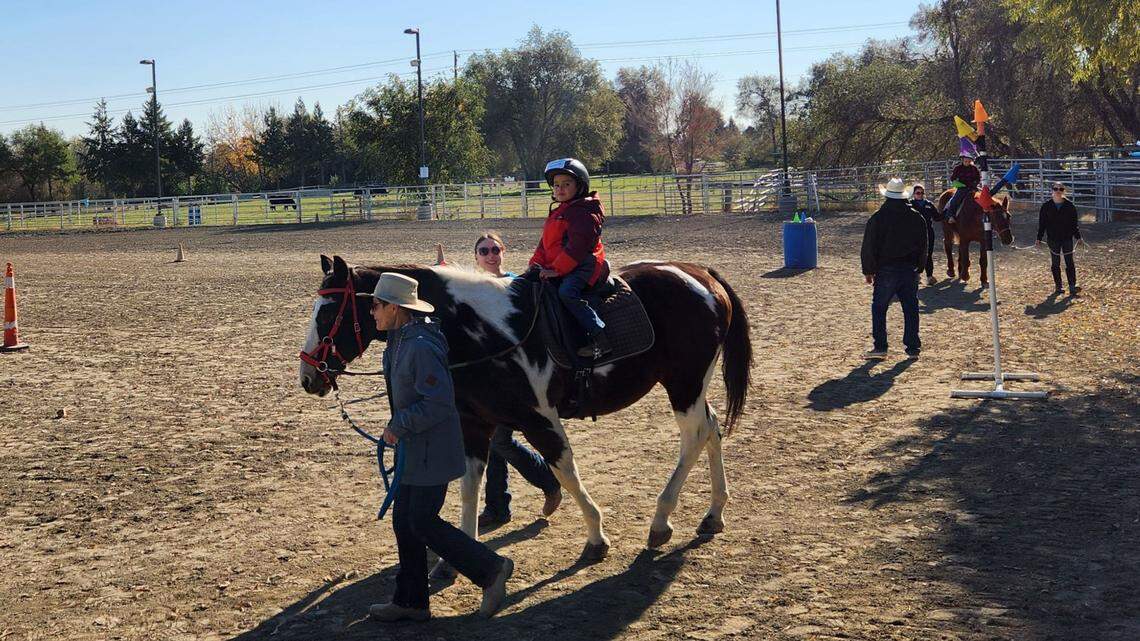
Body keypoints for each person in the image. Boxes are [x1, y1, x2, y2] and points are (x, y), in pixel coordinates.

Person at [360, 272, 513, 622]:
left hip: (431, 450)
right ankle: (411, 601)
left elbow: (439, 402)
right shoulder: (399, 340)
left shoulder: (419, 346)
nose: (372, 312)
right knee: (404, 522)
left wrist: (399, 424)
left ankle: (491, 569)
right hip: (415, 448)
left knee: (421, 521)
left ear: (395, 308)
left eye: (376, 305)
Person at [439, 232, 563, 527]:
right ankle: (498, 507)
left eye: (495, 249)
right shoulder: (471, 289)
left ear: (503, 252)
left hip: (513, 380)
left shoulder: (515, 285)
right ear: (476, 257)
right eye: (484, 251)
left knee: (500, 443)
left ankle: (547, 480)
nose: (490, 255)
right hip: (483, 382)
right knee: (491, 447)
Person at [530, 157, 611, 360]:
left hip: (583, 265)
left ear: (580, 186)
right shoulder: (560, 211)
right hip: (564, 264)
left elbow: (578, 247)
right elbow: (545, 244)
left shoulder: (584, 213)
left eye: (566, 184)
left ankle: (599, 337)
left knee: (567, 293)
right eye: (556, 185)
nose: (560, 189)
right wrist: (535, 264)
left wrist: (556, 271)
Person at [861, 178, 929, 359]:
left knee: (879, 307)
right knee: (910, 308)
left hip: (885, 269)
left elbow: (869, 246)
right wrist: (920, 267)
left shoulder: (877, 218)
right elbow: (924, 245)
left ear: (887, 196)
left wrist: (868, 270)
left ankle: (880, 347)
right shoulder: (917, 217)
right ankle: (912, 347)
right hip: (909, 268)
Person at [1036, 182, 1084, 296]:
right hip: (1053, 238)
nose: (1058, 191)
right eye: (1056, 189)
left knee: (1069, 262)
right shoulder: (1046, 206)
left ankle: (1072, 285)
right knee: (1055, 263)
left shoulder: (1070, 206)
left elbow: (1074, 224)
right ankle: (1058, 286)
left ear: (1064, 191)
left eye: (1061, 189)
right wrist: (1039, 238)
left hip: (1067, 238)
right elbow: (1042, 224)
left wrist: (1078, 237)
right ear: (1052, 190)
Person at [909, 183, 941, 286]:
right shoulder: (909, 205)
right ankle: (916, 275)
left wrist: (947, 212)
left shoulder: (929, 204)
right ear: (913, 194)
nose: (920, 195)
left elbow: (937, 217)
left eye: (922, 193)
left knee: (928, 254)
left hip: (928, 233)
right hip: (914, 234)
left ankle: (929, 276)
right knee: (915, 254)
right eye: (918, 193)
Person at [943, 153, 981, 223]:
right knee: (955, 200)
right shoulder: (958, 168)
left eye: (969, 160)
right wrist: (959, 184)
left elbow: (978, 178)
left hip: (973, 188)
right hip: (962, 188)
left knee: (982, 197)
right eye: (966, 160)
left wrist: (974, 184)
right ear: (962, 160)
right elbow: (953, 178)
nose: (967, 162)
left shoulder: (974, 168)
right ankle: (951, 215)